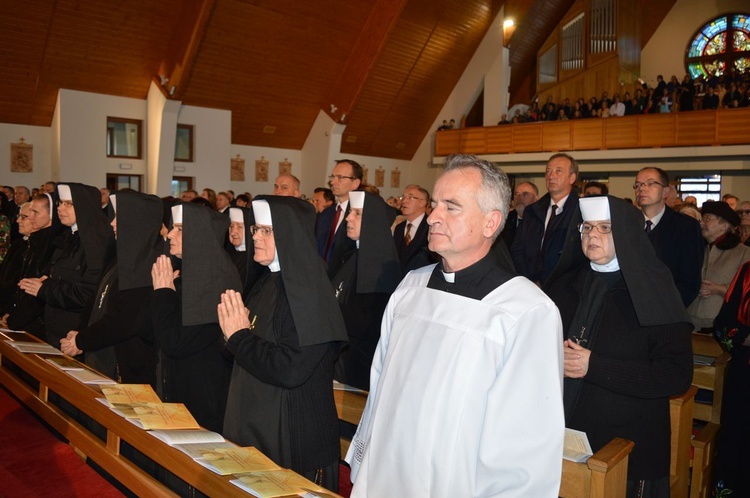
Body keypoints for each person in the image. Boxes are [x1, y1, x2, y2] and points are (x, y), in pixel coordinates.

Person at [346, 154, 564, 497]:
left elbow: (525, 444)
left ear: (491, 223)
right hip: (385, 475)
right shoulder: (410, 288)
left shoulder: (524, 311)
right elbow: (380, 388)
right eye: (434, 205)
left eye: (451, 207)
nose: (433, 216)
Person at [545, 196, 693, 497]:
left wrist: (594, 366)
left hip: (626, 440)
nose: (592, 235)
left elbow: (676, 374)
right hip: (560, 431)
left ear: (627, 234)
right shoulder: (563, 285)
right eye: (586, 227)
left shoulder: (655, 290)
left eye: (604, 227)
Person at [217, 196, 348, 491]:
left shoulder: (309, 293)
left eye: (266, 231)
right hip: (256, 424)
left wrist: (237, 337)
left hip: (292, 434)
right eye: (255, 230)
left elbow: (290, 369)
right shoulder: (266, 281)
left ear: (290, 235)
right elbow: (242, 348)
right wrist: (230, 335)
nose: (256, 237)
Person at [141, 203, 241, 432]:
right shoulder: (186, 271)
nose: (170, 234)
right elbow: (146, 328)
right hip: (178, 384)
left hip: (202, 396)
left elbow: (175, 342)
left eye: (180, 229)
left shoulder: (216, 278)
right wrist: (162, 290)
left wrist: (164, 292)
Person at [60, 191, 160, 384]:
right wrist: (81, 330)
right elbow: (98, 299)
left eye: (119, 218)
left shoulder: (148, 263)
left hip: (127, 362)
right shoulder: (120, 256)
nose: (112, 223)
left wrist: (82, 340)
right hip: (100, 350)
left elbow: (124, 319)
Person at [19, 183, 113, 346]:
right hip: (55, 329)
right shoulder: (68, 236)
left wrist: (44, 288)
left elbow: (88, 293)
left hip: (75, 333)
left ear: (84, 206)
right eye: (60, 203)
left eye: (68, 203)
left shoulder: (95, 242)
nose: (61, 208)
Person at [331, 191, 401, 390]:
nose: (348, 218)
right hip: (338, 361)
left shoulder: (381, 267)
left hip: (357, 369)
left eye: (357, 213)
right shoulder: (352, 255)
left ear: (373, 220)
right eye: (350, 212)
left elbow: (368, 324)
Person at [635, 167, 704, 306]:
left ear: (665, 191)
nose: (642, 188)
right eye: (638, 185)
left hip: (667, 309)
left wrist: (669, 309)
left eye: (650, 183)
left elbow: (690, 280)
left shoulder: (685, 226)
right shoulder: (627, 223)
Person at [511, 152, 580, 284]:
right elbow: (517, 250)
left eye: (558, 171)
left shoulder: (580, 211)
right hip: (529, 286)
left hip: (565, 287)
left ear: (572, 178)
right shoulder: (532, 211)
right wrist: (528, 281)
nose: (551, 176)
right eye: (548, 171)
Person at [712, 260, 750, 497]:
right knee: (736, 448)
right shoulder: (747, 272)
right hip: (744, 381)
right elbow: (722, 327)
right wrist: (745, 336)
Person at [688, 202, 750, 331]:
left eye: (707, 219)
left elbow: (747, 291)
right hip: (692, 320)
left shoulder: (744, 252)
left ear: (725, 225)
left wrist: (720, 289)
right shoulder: (699, 248)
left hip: (723, 323)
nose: (701, 223)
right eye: (701, 219)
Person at [315, 159, 362, 277]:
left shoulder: (360, 216)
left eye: (340, 177)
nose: (333, 182)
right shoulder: (326, 214)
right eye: (333, 177)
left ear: (355, 183)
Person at [392, 185, 433, 273]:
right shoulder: (399, 228)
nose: (404, 201)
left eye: (410, 197)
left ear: (422, 202)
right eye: (403, 197)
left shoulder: (431, 227)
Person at [499, 181, 538, 249]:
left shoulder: (541, 220)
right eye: (516, 194)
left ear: (536, 199)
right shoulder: (504, 220)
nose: (519, 198)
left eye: (525, 194)